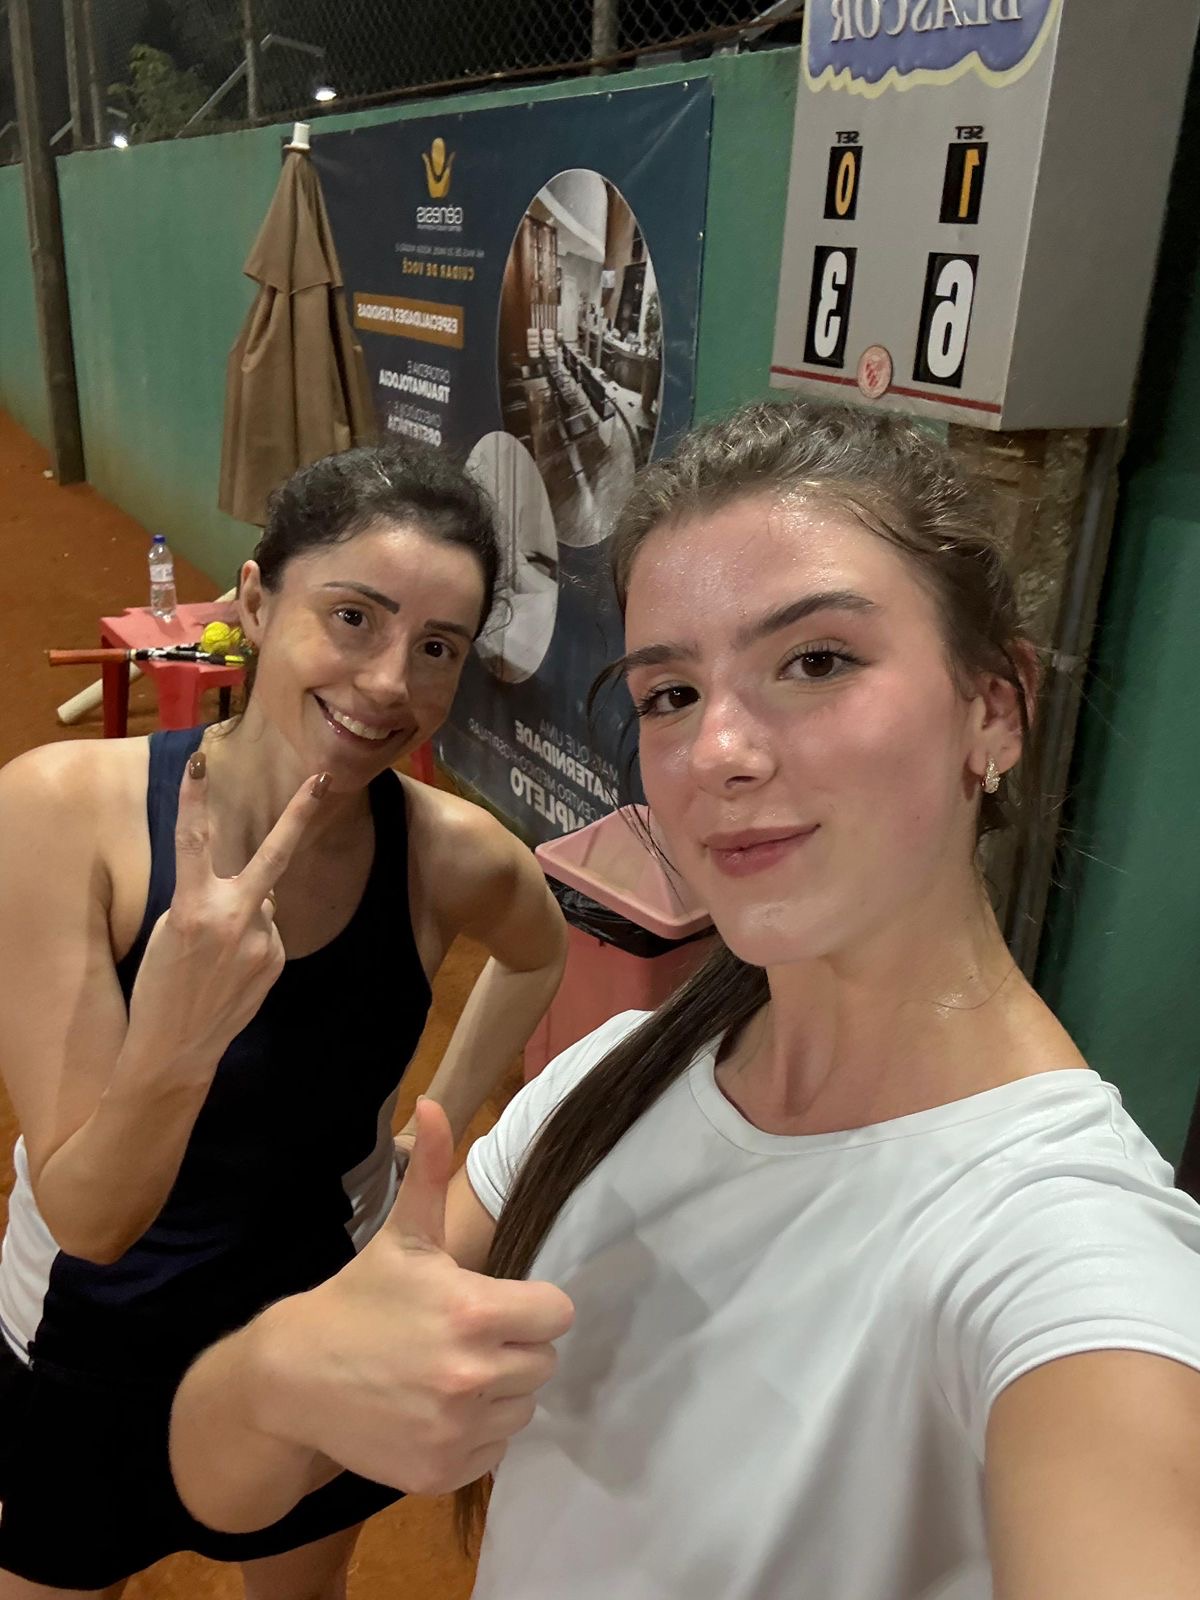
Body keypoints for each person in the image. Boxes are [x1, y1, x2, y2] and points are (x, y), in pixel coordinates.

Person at [170, 401, 1200, 1597]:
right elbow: (218, 1476)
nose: (718, 751)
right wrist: (283, 1369)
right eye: (669, 693)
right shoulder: (608, 1080)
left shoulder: (1066, 1248)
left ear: (996, 708)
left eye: (816, 661)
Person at [0, 441, 572, 1600]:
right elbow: (92, 1220)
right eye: (352, 617)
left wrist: (429, 1120)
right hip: (82, 1348)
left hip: (318, 1338)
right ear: (256, 603)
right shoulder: (62, 817)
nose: (389, 682)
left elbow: (540, 947)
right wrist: (185, 1023)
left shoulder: (444, 855)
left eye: (437, 648)